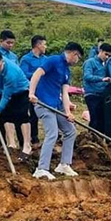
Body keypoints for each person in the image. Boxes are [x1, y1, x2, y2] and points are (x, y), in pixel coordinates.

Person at [29, 42, 83, 180]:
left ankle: (64, 164)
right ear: (73, 54)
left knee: (70, 131)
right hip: (43, 104)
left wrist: (68, 112)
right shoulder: (53, 60)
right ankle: (41, 169)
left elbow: (65, 93)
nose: (77, 61)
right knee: (52, 133)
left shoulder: (67, 70)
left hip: (56, 105)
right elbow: (37, 74)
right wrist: (31, 93)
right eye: (78, 58)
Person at [0, 50, 32, 160]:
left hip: (20, 91)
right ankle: (11, 144)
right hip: (4, 90)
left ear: (2, 61)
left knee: (22, 116)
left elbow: (6, 96)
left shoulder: (11, 73)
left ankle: (27, 146)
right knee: (7, 116)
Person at [0, 30, 21, 148]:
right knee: (0, 117)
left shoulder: (13, 57)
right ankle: (1, 144)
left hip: (12, 91)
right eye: (8, 43)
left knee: (15, 117)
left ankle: (16, 143)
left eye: (12, 43)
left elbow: (17, 73)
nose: (10, 45)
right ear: (1, 41)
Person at [20, 35, 47, 147]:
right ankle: (33, 138)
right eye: (44, 44)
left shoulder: (46, 59)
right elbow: (23, 74)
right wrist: (37, 74)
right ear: (38, 45)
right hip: (31, 91)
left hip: (44, 91)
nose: (46, 46)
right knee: (33, 115)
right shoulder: (26, 59)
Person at [83, 42, 111, 134]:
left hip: (102, 95)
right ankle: (91, 138)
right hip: (92, 94)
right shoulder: (90, 62)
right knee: (94, 118)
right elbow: (87, 76)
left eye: (109, 55)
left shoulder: (105, 65)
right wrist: (102, 79)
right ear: (100, 51)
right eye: (106, 54)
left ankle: (99, 140)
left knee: (102, 120)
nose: (107, 57)